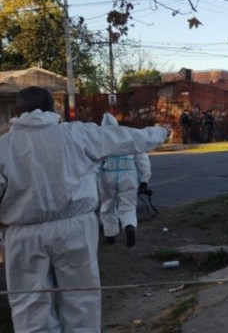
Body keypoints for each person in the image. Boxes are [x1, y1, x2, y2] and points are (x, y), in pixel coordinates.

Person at [0, 86, 169, 332]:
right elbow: (128, 138)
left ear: (16, 111)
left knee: (30, 307)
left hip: (23, 234)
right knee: (81, 300)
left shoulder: (3, 147)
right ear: (53, 109)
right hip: (75, 228)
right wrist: (161, 132)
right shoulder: (77, 134)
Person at [99, 113, 152, 248]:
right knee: (128, 204)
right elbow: (142, 159)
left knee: (107, 204)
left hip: (107, 175)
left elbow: (94, 163)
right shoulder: (128, 137)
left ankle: (110, 234)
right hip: (128, 175)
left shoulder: (100, 140)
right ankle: (129, 226)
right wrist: (145, 179)